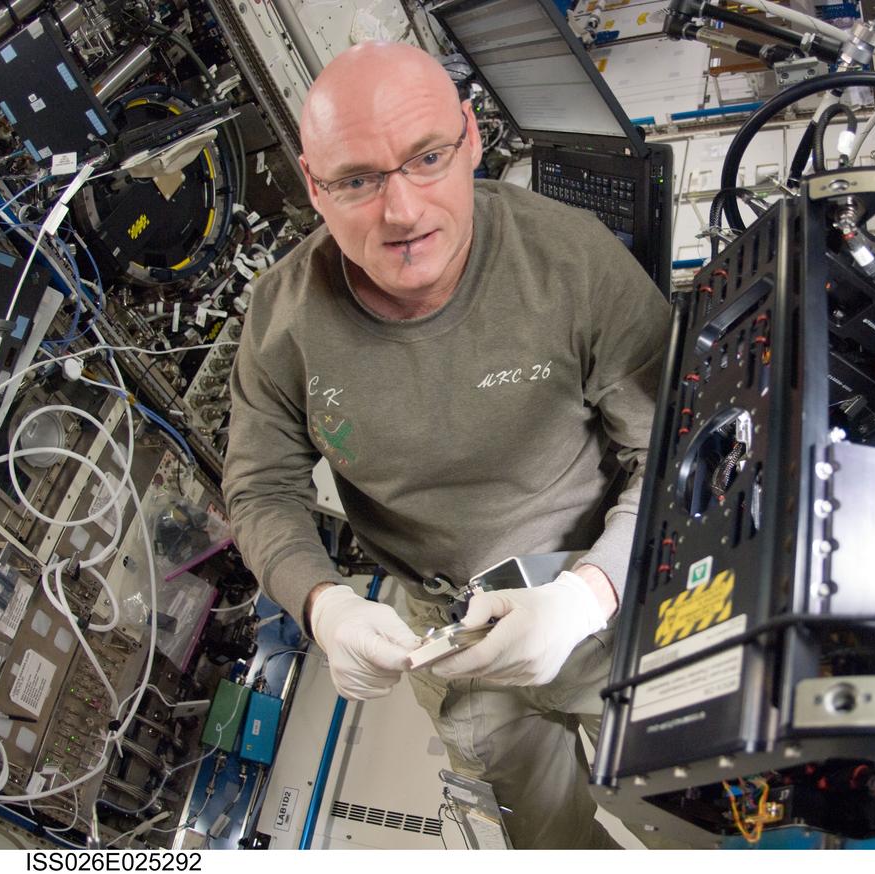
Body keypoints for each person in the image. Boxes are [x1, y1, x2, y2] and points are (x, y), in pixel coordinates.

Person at [221, 41, 669, 849]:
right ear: (312, 185)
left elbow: (674, 451)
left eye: (427, 157)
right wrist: (323, 607)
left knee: (693, 798)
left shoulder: (571, 259)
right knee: (545, 838)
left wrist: (586, 596)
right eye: (357, 180)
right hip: (447, 633)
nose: (403, 213)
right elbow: (260, 489)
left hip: (606, 590)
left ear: (470, 136)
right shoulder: (282, 319)